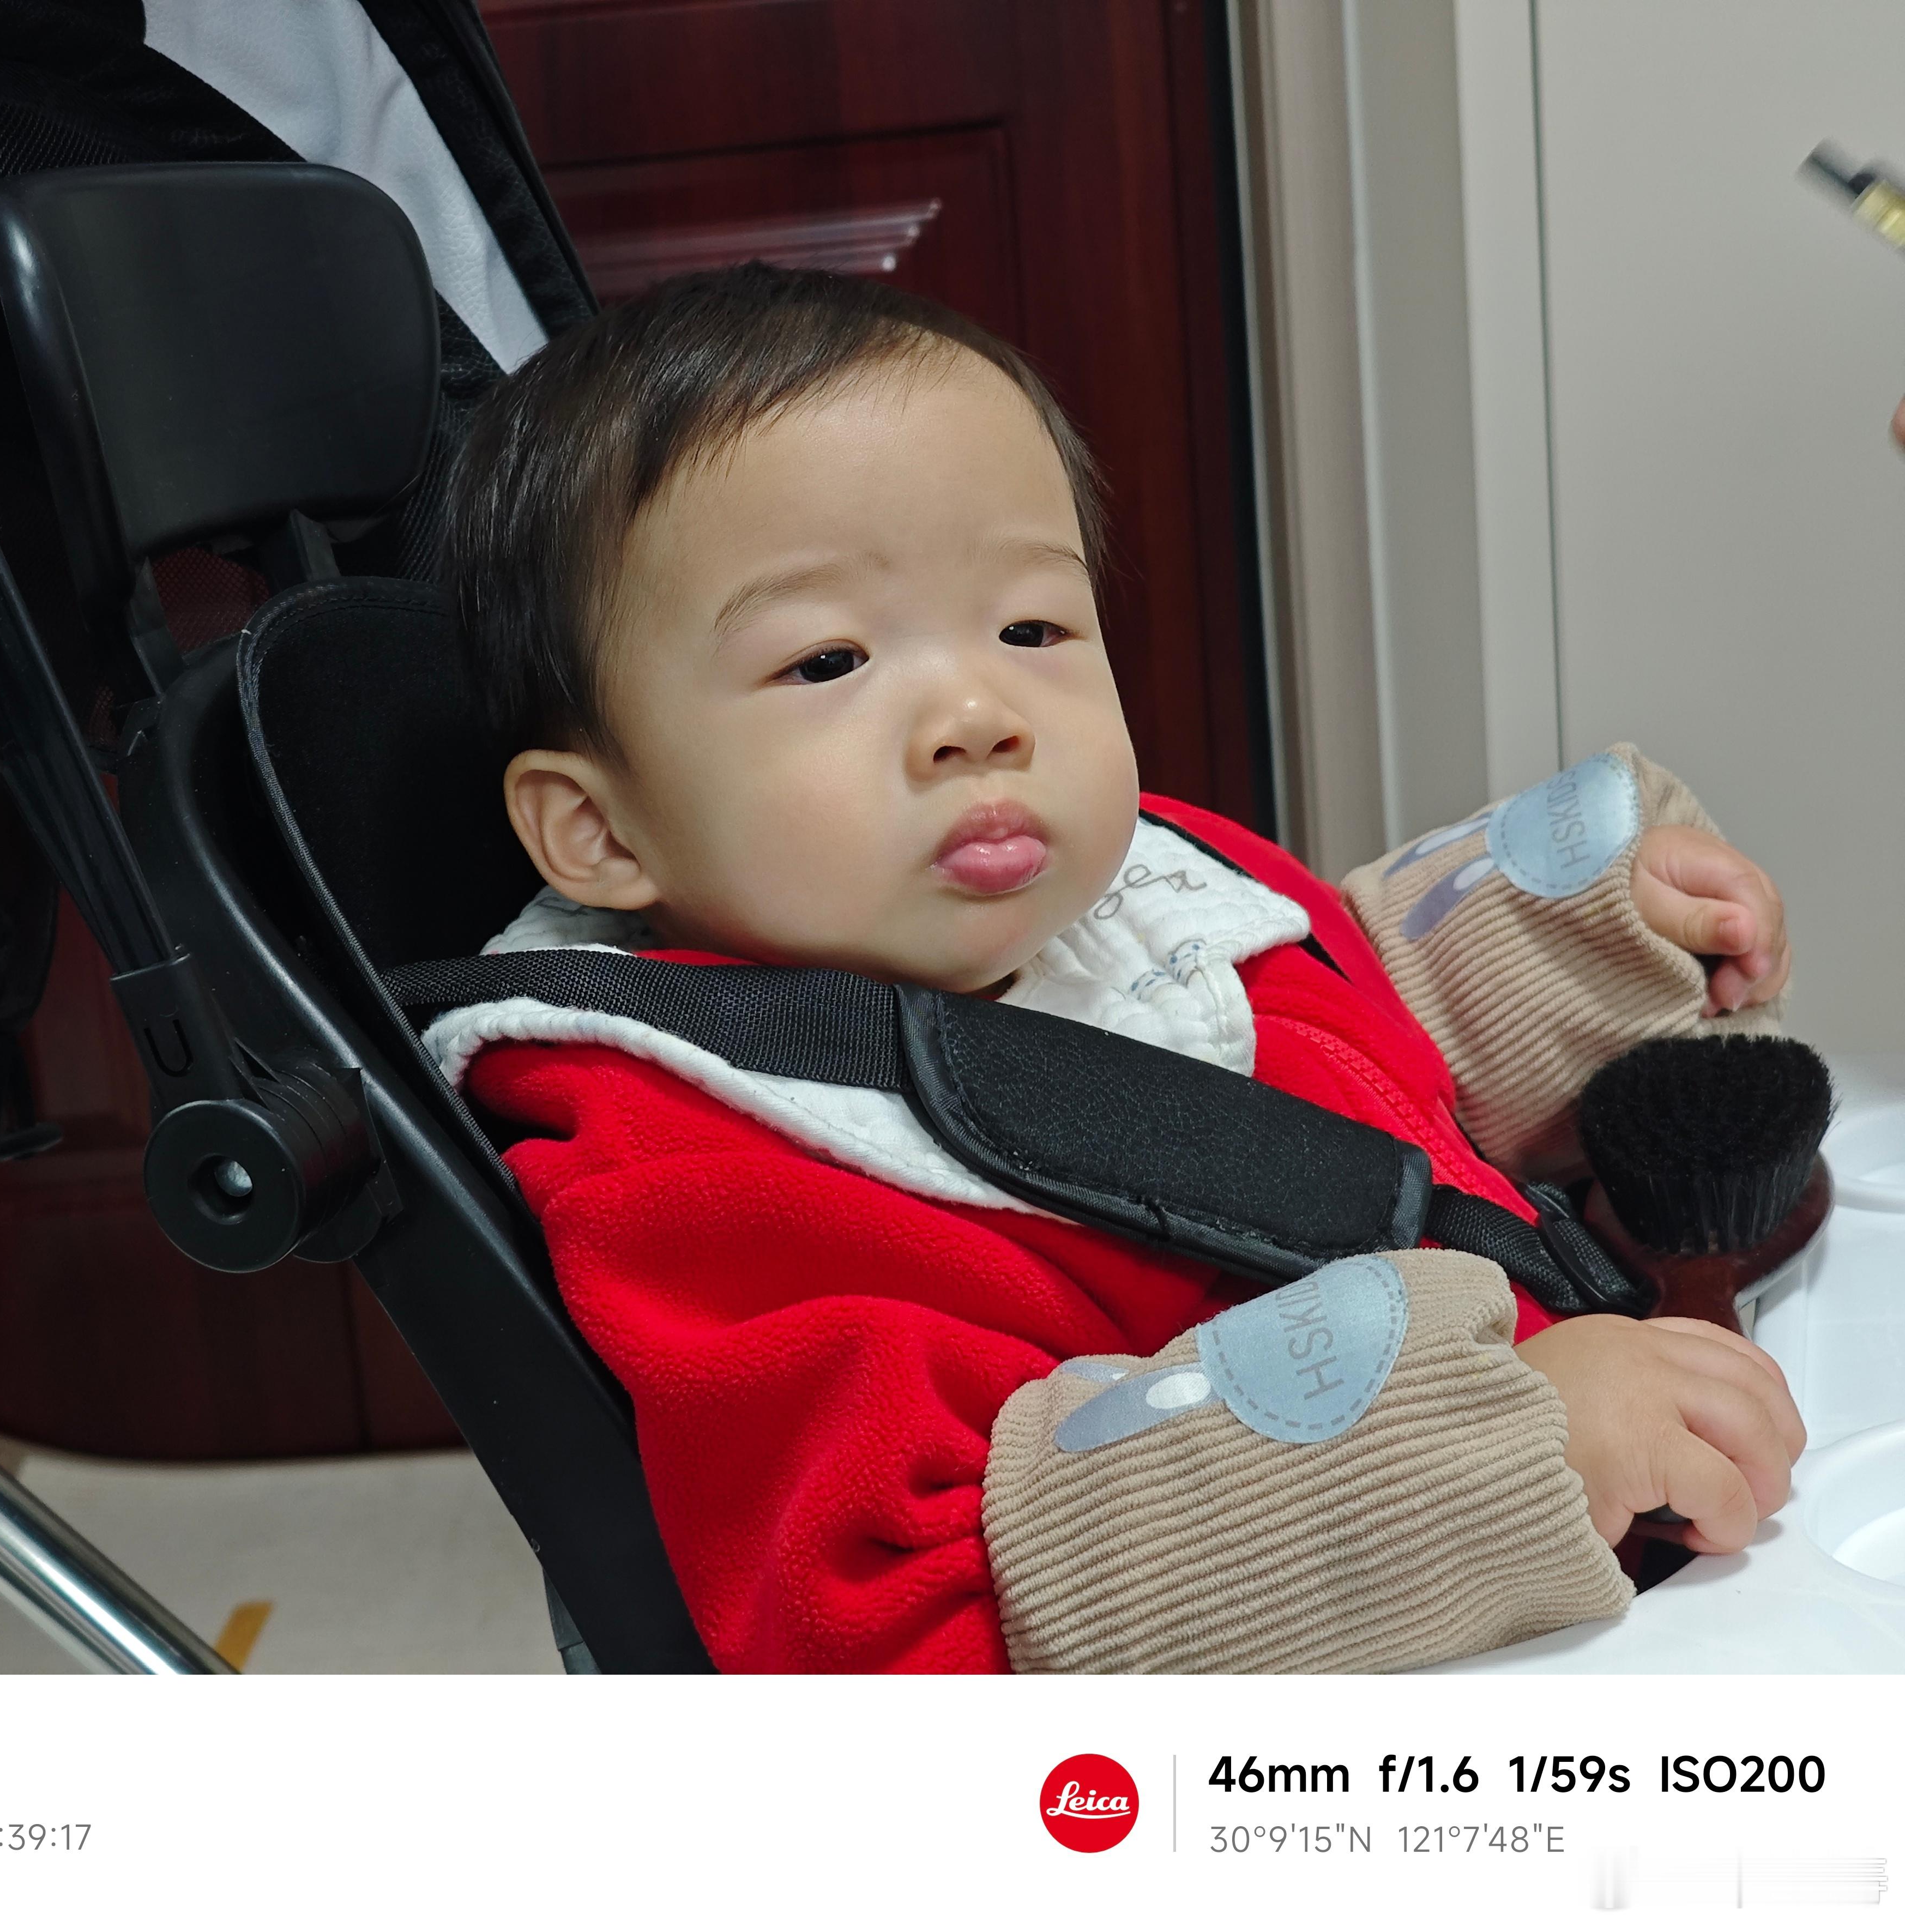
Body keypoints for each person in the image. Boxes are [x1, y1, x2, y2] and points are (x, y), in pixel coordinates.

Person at [434, 264, 1804, 1673]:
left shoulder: (1150, 880)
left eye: (1032, 630)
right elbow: (900, 1618)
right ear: (600, 830)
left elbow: (1350, 1068)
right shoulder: (695, 1174)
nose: (981, 714)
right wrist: (1482, 1451)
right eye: (829, 660)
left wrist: (1583, 936)